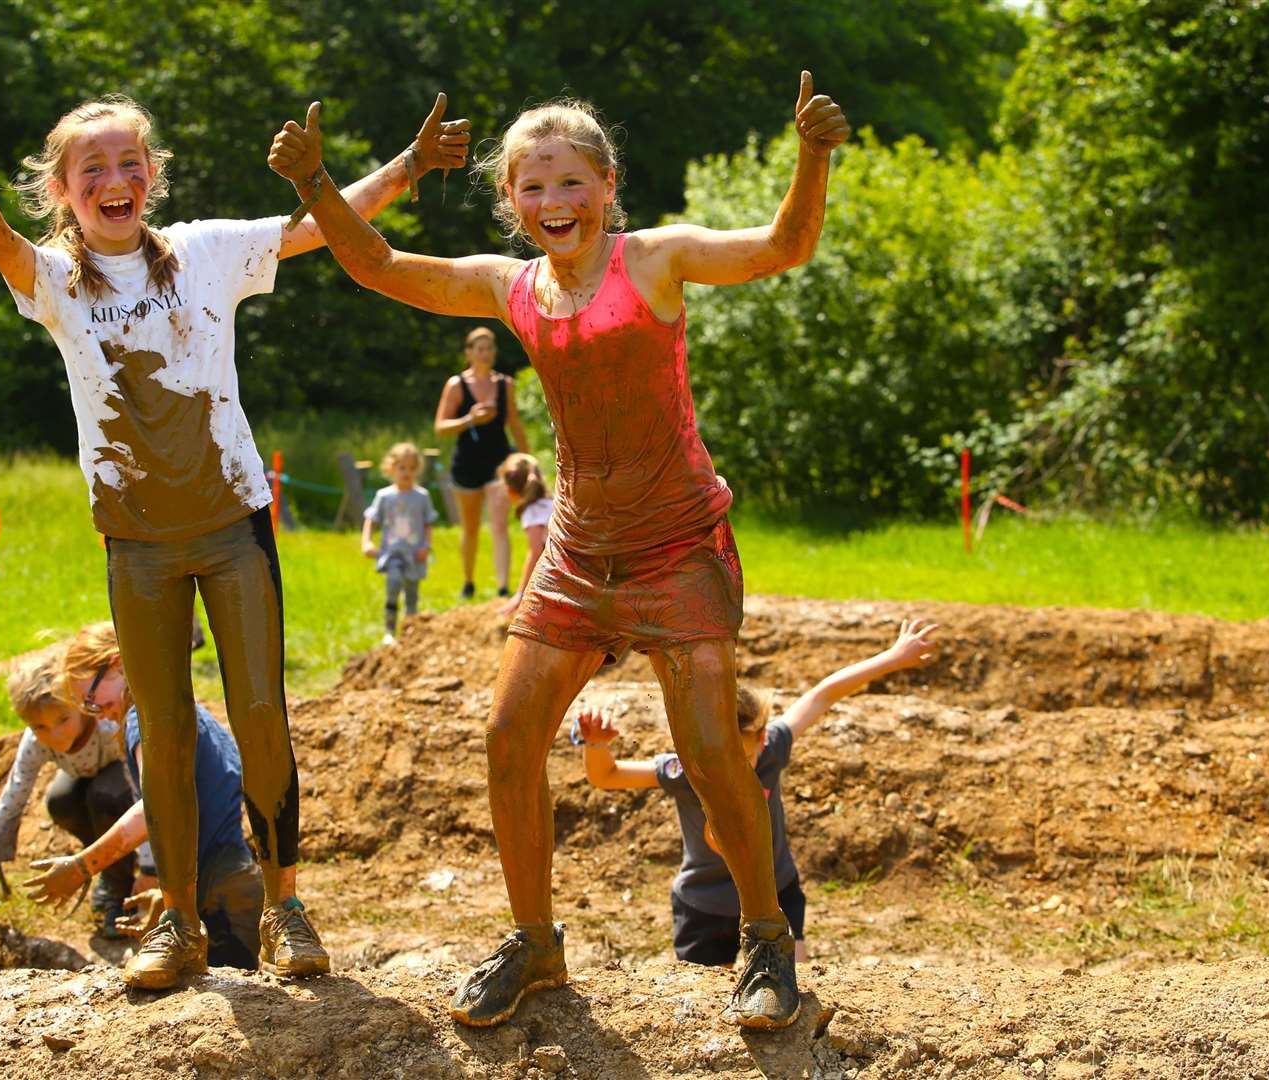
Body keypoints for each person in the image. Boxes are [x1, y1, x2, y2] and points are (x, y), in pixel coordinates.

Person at [266, 72, 850, 1028]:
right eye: (531, 188)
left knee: (710, 751)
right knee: (507, 737)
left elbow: (787, 246)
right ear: (509, 201)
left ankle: (765, 939)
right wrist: (318, 186)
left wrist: (813, 155)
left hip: (677, 548)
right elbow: (376, 264)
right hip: (578, 554)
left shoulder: (654, 261)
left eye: (570, 182)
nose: (552, 203)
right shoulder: (514, 288)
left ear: (608, 185)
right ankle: (535, 945)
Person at [0, 90, 470, 988]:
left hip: (233, 528)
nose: (115, 180)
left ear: (153, 175)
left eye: (129, 163)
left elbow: (311, 229)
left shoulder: (206, 251)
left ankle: (287, 907)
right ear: (63, 190)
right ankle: (176, 923)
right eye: (91, 169)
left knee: (262, 716)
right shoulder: (56, 283)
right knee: (165, 729)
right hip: (135, 544)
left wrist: (408, 168)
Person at [573, 618, 940, 967]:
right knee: (703, 999)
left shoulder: (772, 749)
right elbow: (608, 776)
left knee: (793, 978)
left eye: (743, 756)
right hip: (705, 904)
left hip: (776, 892)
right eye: (720, 755)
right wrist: (595, 745)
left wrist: (892, 657)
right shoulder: (689, 768)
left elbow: (823, 694)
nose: (732, 766)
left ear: (760, 740)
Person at [20, 623, 265, 975]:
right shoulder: (178, 707)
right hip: (228, 884)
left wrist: (83, 866)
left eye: (90, 697)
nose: (95, 711)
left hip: (219, 893)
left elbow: (155, 804)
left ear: (118, 665)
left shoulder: (143, 718)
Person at [0, 649, 148, 937]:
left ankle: (117, 891)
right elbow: (14, 793)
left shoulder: (108, 725)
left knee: (104, 797)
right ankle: (113, 866)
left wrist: (152, 870)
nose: (55, 735)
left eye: (63, 720)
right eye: (40, 726)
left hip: (120, 775)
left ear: (78, 704)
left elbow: (146, 799)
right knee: (60, 802)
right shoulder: (35, 743)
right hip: (84, 780)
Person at [434, 327, 529, 600]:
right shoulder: (456, 385)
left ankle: (502, 588)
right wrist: (471, 419)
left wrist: (526, 460)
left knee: (499, 524)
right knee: (471, 528)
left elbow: (515, 425)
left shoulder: (504, 385)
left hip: (499, 463)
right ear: (469, 353)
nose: (485, 354)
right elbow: (441, 427)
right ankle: (468, 582)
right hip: (466, 464)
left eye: (490, 348)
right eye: (480, 348)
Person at [361, 442, 437, 642]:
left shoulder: (422, 496)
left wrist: (426, 546)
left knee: (412, 594)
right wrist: (366, 542)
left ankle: (410, 632)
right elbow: (371, 519)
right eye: (402, 467)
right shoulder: (384, 496)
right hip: (392, 553)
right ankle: (389, 629)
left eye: (412, 468)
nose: (407, 472)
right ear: (391, 468)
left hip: (414, 554)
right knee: (393, 585)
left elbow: (428, 523)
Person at [496, 452, 551, 619]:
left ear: (510, 489)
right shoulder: (550, 502)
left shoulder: (533, 511)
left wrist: (520, 595)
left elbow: (535, 553)